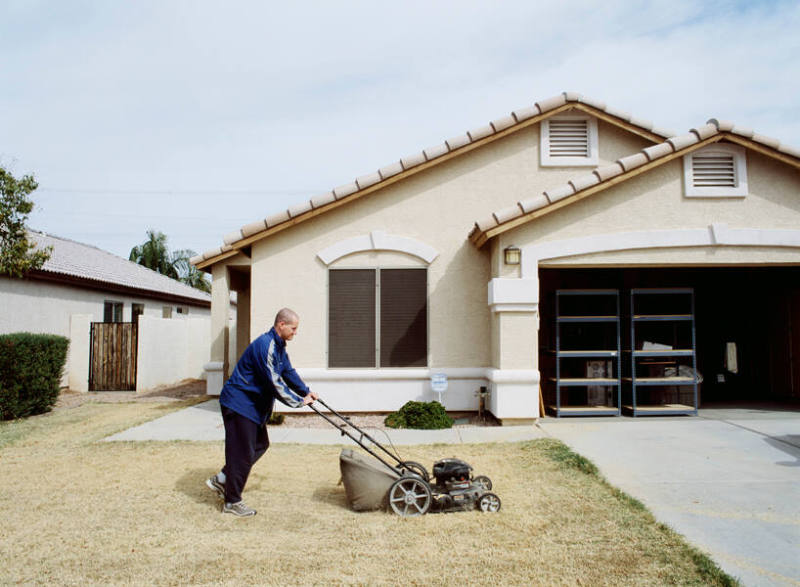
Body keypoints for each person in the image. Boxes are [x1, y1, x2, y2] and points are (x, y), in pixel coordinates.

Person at [206, 307, 318, 517]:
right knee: (242, 452)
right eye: (293, 328)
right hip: (240, 404)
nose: (296, 332)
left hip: (251, 407)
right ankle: (232, 502)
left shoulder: (279, 346)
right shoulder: (265, 346)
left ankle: (222, 480)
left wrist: (306, 391)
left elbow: (287, 372)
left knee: (259, 445)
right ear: (281, 325)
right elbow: (273, 382)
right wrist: (298, 402)